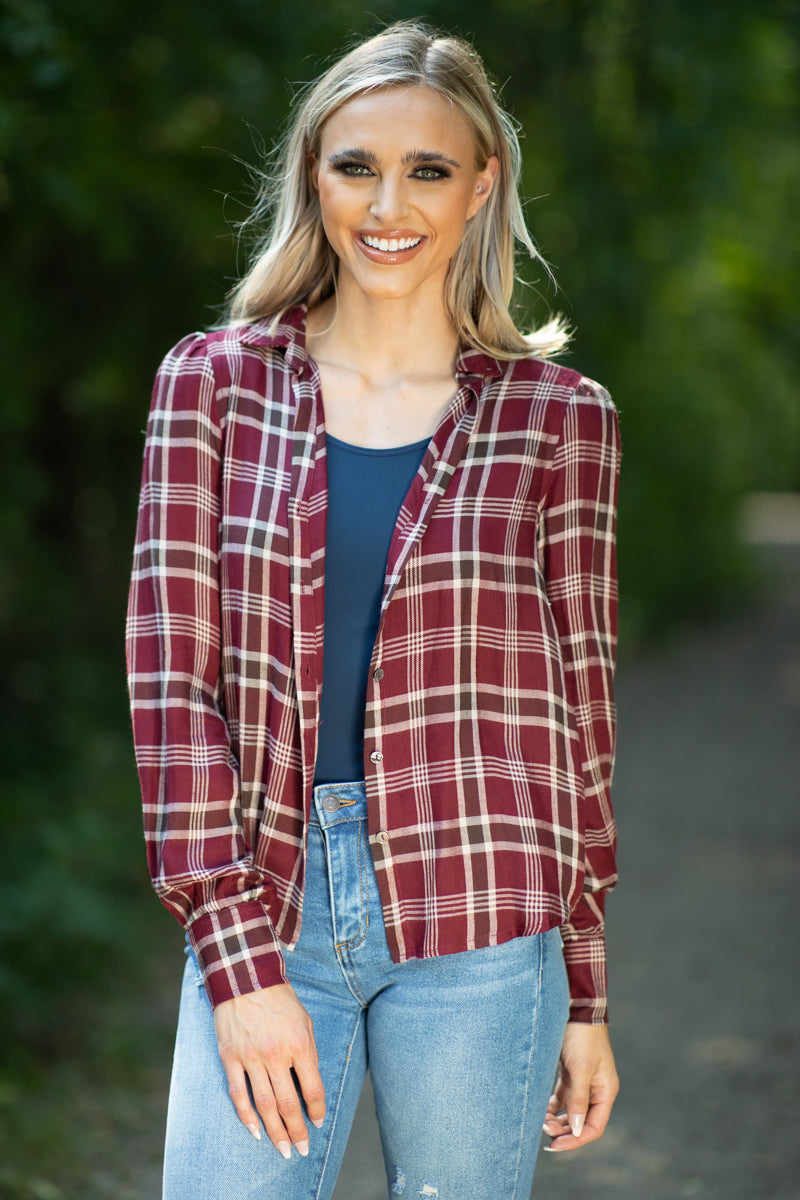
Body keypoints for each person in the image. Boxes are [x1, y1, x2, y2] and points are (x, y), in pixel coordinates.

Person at [126, 19, 620, 1200]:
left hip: (488, 917)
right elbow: (171, 688)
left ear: (480, 185)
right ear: (313, 176)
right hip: (270, 893)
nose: (386, 204)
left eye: (427, 169)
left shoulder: (558, 419)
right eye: (356, 165)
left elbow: (576, 713)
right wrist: (235, 960)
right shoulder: (211, 384)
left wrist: (585, 986)